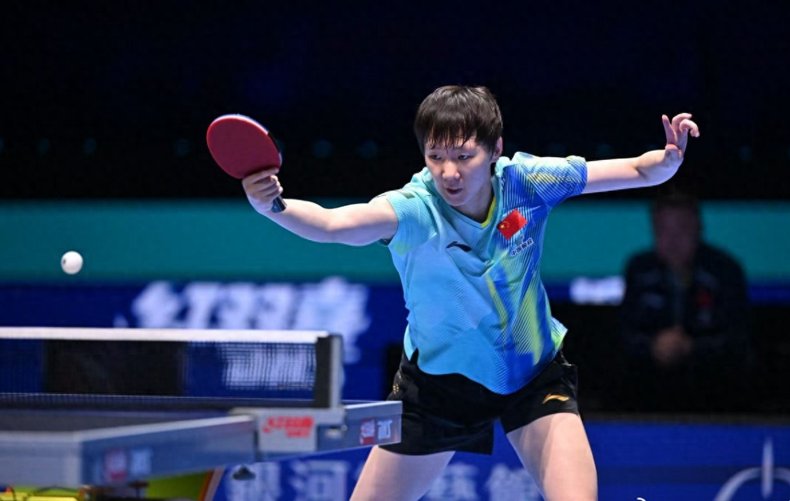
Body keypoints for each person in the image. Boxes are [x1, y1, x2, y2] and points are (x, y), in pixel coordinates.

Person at [242, 85, 699, 501]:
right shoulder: (415, 210)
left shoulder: (526, 183)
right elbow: (333, 225)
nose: (448, 172)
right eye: (435, 156)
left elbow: (635, 169)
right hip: (437, 391)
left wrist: (668, 162)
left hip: (531, 377)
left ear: (495, 149)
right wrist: (273, 206)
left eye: (463, 156)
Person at [618, 192, 749, 413]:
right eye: (664, 230)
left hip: (715, 389)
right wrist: (653, 346)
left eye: (681, 229)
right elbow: (623, 334)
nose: (673, 241)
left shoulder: (725, 271)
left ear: (699, 229)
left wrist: (691, 347)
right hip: (647, 389)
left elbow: (738, 339)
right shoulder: (639, 269)